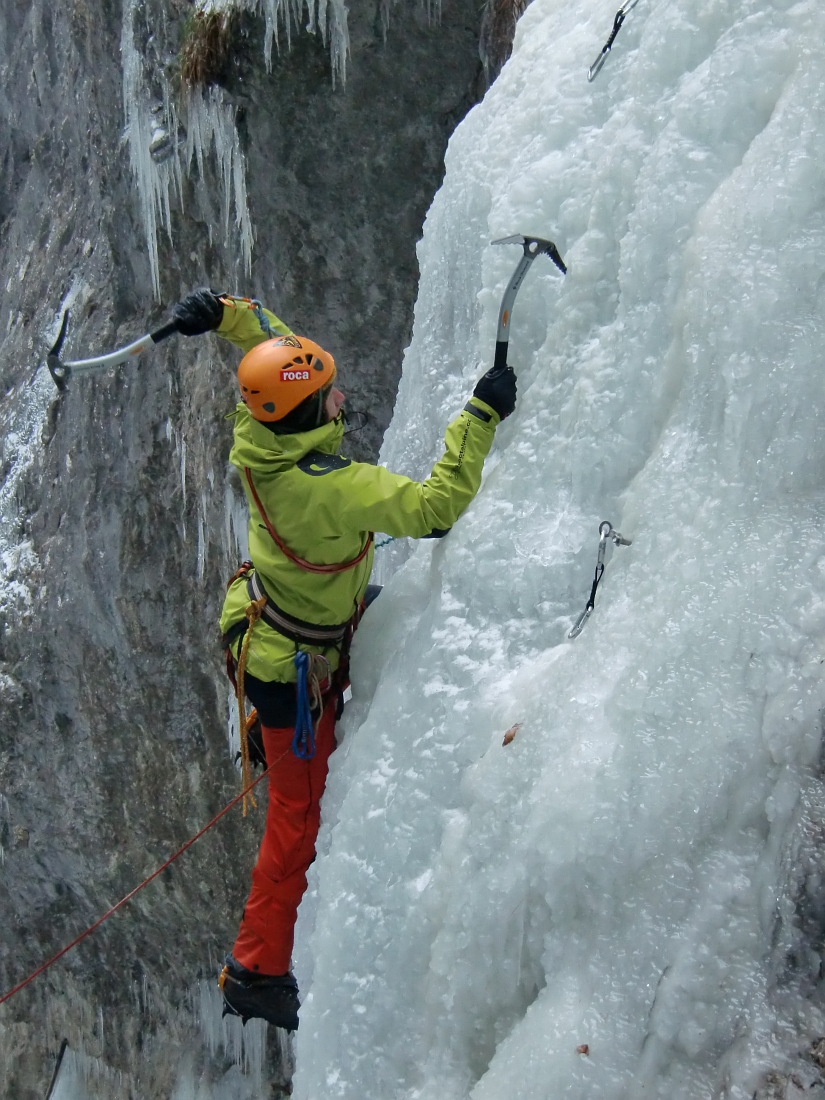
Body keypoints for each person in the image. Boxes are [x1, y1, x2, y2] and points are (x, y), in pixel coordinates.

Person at [172, 287, 517, 1030]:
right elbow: (433, 508)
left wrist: (223, 313)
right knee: (294, 823)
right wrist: (480, 416)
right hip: (291, 667)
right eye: (331, 396)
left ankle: (271, 746)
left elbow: (274, 349)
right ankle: (255, 967)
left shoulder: (257, 432)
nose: (341, 399)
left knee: (294, 780)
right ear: (308, 413)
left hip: (270, 626)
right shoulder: (337, 489)